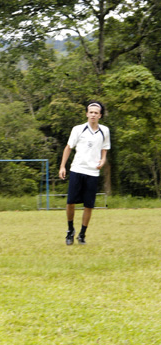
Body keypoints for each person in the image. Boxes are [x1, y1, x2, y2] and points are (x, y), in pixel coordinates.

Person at [59, 100, 110, 245]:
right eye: (91, 112)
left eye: (96, 113)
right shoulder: (78, 129)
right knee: (70, 202)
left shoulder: (104, 131)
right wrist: (62, 166)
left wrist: (103, 159)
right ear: (87, 114)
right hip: (77, 169)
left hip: (93, 173)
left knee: (89, 205)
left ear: (100, 115)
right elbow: (68, 147)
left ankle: (82, 234)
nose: (93, 115)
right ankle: (70, 231)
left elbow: (104, 148)